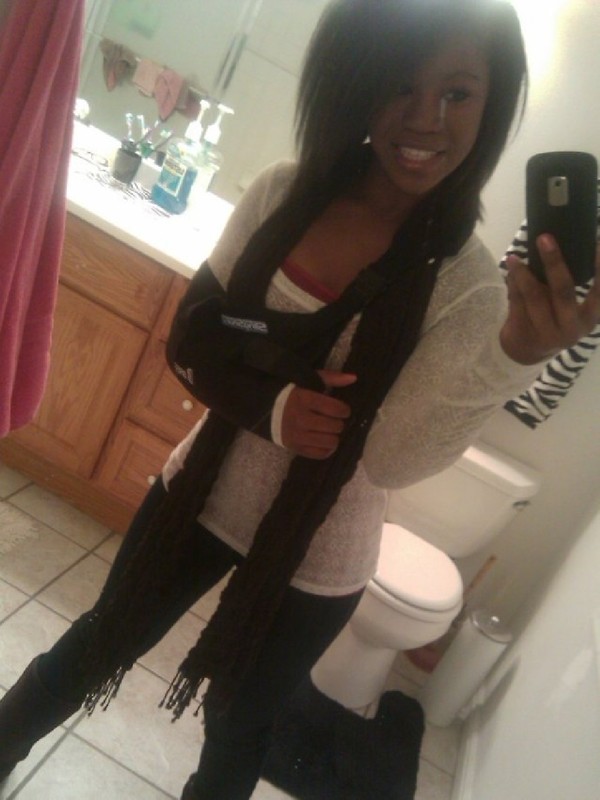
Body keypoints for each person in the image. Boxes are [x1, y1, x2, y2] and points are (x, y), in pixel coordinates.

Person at [2, 0, 599, 798]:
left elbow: (389, 458)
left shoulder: (466, 287)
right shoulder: (284, 193)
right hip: (201, 490)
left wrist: (512, 360)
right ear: (356, 82)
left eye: (458, 93)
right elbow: (191, 337)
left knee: (238, 726)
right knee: (95, 645)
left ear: (490, 108)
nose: (426, 118)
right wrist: (276, 409)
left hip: (322, 550)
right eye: (401, 84)